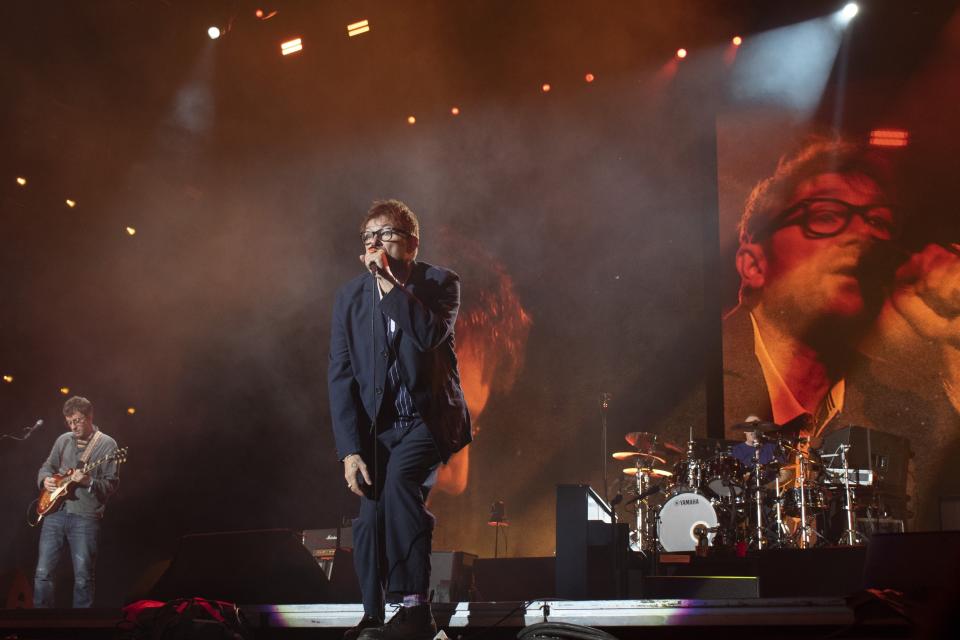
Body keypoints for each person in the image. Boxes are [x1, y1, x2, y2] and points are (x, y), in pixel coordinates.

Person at [328, 200, 471, 640]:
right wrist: (350, 450)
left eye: (385, 234)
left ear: (411, 243)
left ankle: (414, 607)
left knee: (400, 485)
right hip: (381, 431)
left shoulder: (440, 283)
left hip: (429, 420)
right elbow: (341, 374)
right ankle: (373, 612)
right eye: (369, 236)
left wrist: (390, 286)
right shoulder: (351, 297)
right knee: (370, 513)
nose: (375, 244)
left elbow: (429, 335)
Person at [723, 138, 902, 443]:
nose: (864, 236)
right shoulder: (692, 385)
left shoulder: (900, 402)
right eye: (827, 216)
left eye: (876, 221)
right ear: (754, 265)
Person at [34, 395, 120, 608]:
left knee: (83, 577)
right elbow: (47, 466)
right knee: (43, 573)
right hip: (54, 512)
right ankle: (39, 625)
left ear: (90, 417)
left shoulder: (108, 444)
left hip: (85, 516)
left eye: (78, 420)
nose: (73, 426)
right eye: (70, 421)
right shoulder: (63, 440)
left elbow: (110, 485)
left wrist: (88, 480)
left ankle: (81, 627)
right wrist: (45, 480)